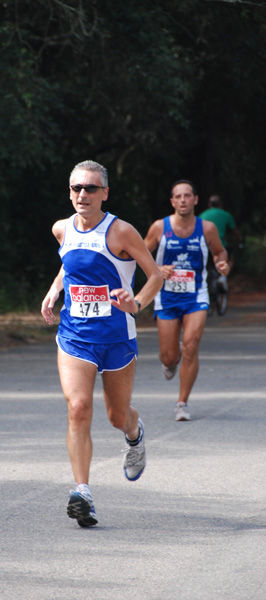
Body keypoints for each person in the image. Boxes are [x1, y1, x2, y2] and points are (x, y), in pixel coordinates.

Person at [41, 160, 163, 528]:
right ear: (70, 192)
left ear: (104, 193)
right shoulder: (61, 229)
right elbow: (70, 263)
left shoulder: (121, 231)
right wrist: (54, 290)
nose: (83, 194)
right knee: (78, 408)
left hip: (116, 338)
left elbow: (155, 274)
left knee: (116, 416)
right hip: (75, 334)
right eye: (76, 188)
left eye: (91, 188)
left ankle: (134, 432)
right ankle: (82, 492)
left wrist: (137, 303)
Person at [144, 180, 230, 422]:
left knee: (191, 345)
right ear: (172, 201)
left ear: (195, 199)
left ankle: (182, 403)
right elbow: (139, 253)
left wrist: (221, 262)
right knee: (169, 355)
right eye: (178, 196)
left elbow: (219, 251)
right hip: (167, 297)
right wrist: (157, 268)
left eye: (187, 196)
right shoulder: (159, 228)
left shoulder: (208, 228)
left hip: (196, 296)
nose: (183, 200)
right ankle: (171, 362)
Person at [199, 194, 242, 288]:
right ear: (220, 204)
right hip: (220, 244)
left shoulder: (202, 215)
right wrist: (239, 240)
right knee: (230, 258)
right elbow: (235, 231)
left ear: (209, 205)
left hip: (204, 246)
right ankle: (223, 276)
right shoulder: (226, 214)